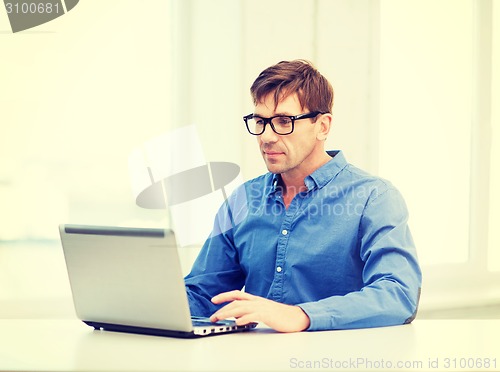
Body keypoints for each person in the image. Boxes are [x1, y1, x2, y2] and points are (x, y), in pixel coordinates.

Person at [184, 59, 422, 332]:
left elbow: (398, 295)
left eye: (284, 121)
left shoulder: (375, 197)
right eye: (260, 121)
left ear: (322, 126)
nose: (267, 137)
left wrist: (301, 315)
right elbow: (203, 293)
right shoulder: (243, 200)